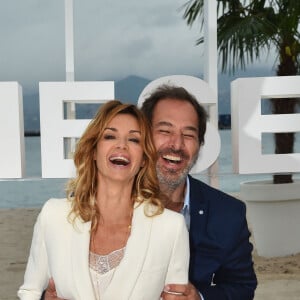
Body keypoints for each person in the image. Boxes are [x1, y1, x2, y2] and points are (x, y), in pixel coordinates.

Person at [18, 100, 189, 300]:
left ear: (143, 158)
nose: (122, 145)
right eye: (110, 136)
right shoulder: (53, 216)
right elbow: (29, 293)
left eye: (134, 140)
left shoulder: (171, 227)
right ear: (92, 151)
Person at [140, 84, 257, 300]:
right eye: (165, 131)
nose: (176, 144)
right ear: (143, 136)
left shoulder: (227, 213)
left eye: (189, 134)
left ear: (200, 145)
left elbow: (242, 287)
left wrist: (200, 297)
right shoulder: (111, 202)